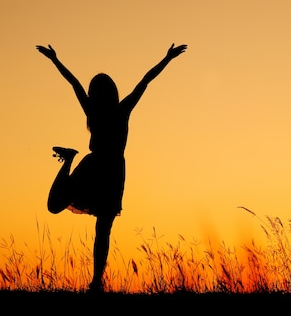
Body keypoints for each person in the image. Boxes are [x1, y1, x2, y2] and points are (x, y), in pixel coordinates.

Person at [36, 42, 187, 292]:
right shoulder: (113, 110)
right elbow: (143, 82)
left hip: (107, 169)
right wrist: (167, 58)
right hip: (102, 168)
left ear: (96, 94)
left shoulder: (113, 110)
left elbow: (78, 83)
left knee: (102, 229)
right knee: (95, 226)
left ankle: (96, 282)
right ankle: (70, 159)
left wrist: (55, 60)